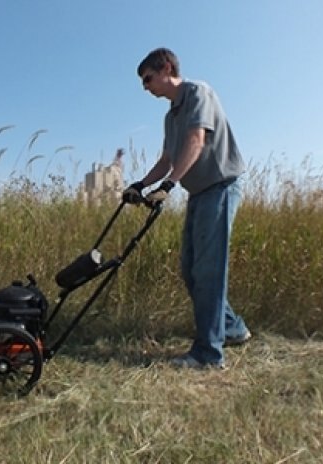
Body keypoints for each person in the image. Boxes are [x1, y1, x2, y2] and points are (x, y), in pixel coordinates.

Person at [123, 47, 251, 369]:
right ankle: (232, 329)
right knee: (190, 268)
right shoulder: (170, 116)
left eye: (148, 79)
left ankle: (209, 355)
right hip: (198, 192)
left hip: (221, 186)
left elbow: (197, 140)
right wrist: (141, 185)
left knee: (208, 270)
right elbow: (167, 160)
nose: (146, 87)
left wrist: (168, 186)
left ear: (166, 68)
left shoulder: (198, 92)